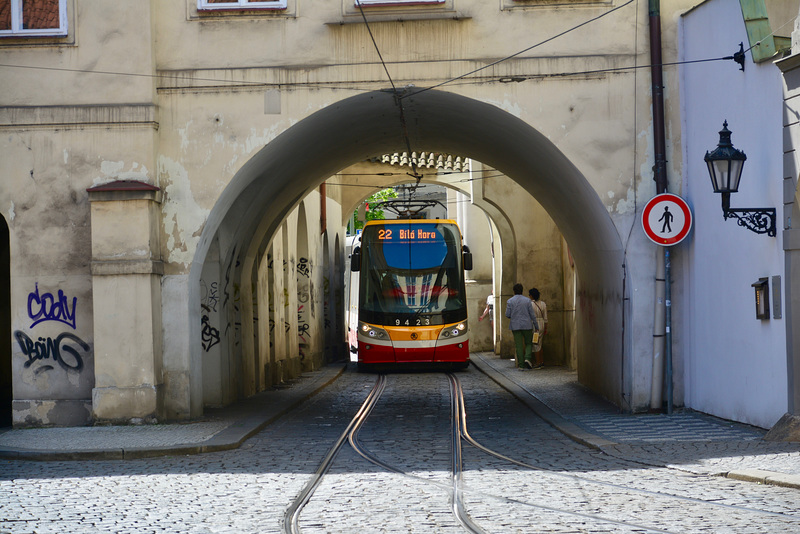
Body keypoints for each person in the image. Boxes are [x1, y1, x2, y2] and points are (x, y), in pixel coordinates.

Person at [505, 283, 539, 369]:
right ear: (522, 291)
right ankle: (527, 358)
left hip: (515, 326)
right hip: (527, 325)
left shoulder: (510, 301)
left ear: (514, 291)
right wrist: (536, 325)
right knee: (528, 343)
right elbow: (532, 315)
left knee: (518, 345)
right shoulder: (527, 301)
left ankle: (521, 365)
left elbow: (507, 314)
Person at [529, 288, 548, 369]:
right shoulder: (543, 304)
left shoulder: (530, 304)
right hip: (542, 324)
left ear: (531, 296)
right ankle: (542, 361)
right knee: (540, 343)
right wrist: (545, 328)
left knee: (535, 344)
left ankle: (538, 363)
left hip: (534, 325)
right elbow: (546, 318)